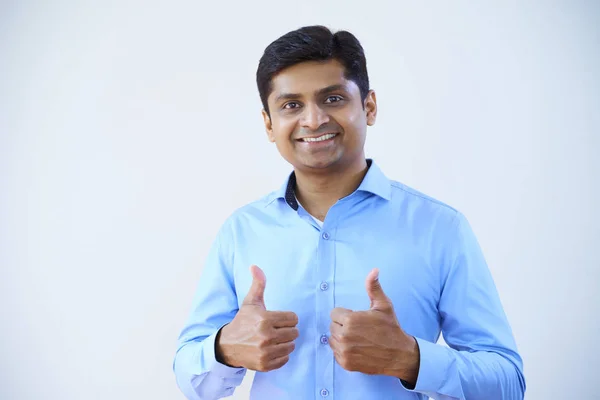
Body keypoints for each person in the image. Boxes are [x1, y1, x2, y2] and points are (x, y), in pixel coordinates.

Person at [172, 25, 526, 400]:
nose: (313, 120)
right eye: (292, 105)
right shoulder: (241, 231)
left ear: (368, 107)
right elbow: (190, 378)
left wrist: (411, 358)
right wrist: (223, 349)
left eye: (333, 98)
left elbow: (507, 383)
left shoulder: (440, 228)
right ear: (268, 124)